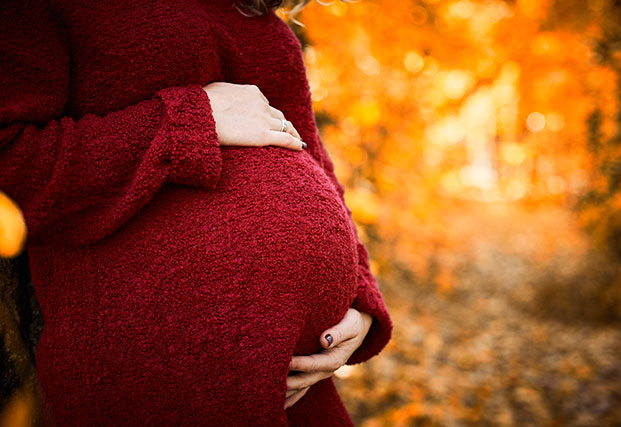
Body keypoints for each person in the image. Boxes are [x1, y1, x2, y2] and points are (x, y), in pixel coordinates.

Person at [0, 0, 394, 425]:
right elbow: (11, 165)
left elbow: (313, 159)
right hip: (156, 360)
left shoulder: (250, 10)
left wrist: (361, 298)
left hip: (301, 374)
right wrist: (186, 122)